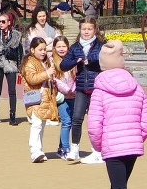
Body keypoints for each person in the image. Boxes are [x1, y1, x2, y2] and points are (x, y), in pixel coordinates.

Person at [87, 39, 147, 189]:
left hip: (113, 146)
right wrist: (137, 138)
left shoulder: (99, 89)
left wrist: (99, 146)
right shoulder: (136, 85)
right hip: (132, 145)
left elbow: (94, 125)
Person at [60, 17, 105, 163]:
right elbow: (63, 64)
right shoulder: (75, 47)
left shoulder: (101, 45)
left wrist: (90, 61)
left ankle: (98, 151)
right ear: (80, 30)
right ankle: (75, 149)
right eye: (84, 29)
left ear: (95, 30)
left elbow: (105, 59)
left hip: (97, 88)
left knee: (95, 122)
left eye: (89, 29)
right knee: (77, 118)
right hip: (81, 88)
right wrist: (75, 61)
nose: (86, 32)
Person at [20, 36, 60, 162]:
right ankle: (34, 151)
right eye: (40, 49)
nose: (43, 52)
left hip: (45, 99)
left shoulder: (45, 62)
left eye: (44, 49)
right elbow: (32, 79)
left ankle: (39, 150)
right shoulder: (29, 63)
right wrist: (47, 73)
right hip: (35, 98)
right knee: (36, 124)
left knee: (41, 124)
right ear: (32, 50)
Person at [0, 11, 22, 126]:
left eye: (3, 21)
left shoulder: (16, 35)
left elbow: (19, 52)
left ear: (9, 22)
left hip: (11, 65)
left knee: (12, 91)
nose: (0, 24)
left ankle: (12, 115)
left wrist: (19, 66)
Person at [51, 36, 77, 158]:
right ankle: (66, 149)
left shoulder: (73, 61)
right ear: (54, 48)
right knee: (66, 122)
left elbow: (77, 77)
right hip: (61, 97)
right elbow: (55, 80)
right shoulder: (52, 62)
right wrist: (67, 90)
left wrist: (74, 90)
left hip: (73, 95)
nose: (61, 49)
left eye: (64, 46)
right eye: (59, 46)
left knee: (70, 122)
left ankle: (61, 146)